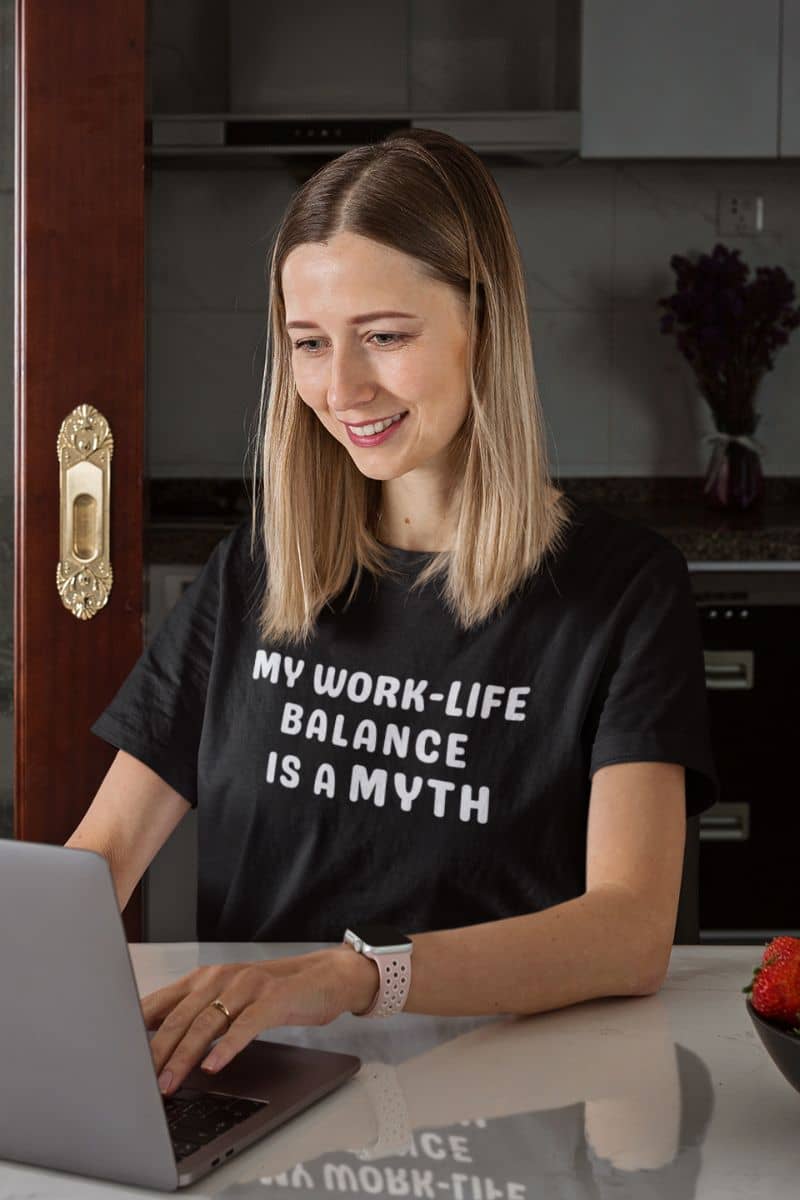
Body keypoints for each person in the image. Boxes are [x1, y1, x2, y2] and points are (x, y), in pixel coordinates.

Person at [65, 129, 719, 1099]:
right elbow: (95, 863)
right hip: (255, 1091)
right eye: (308, 344)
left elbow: (627, 931)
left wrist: (352, 976)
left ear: (482, 326)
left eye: (383, 335)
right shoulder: (250, 575)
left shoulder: (620, 589)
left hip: (501, 1096)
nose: (341, 389)